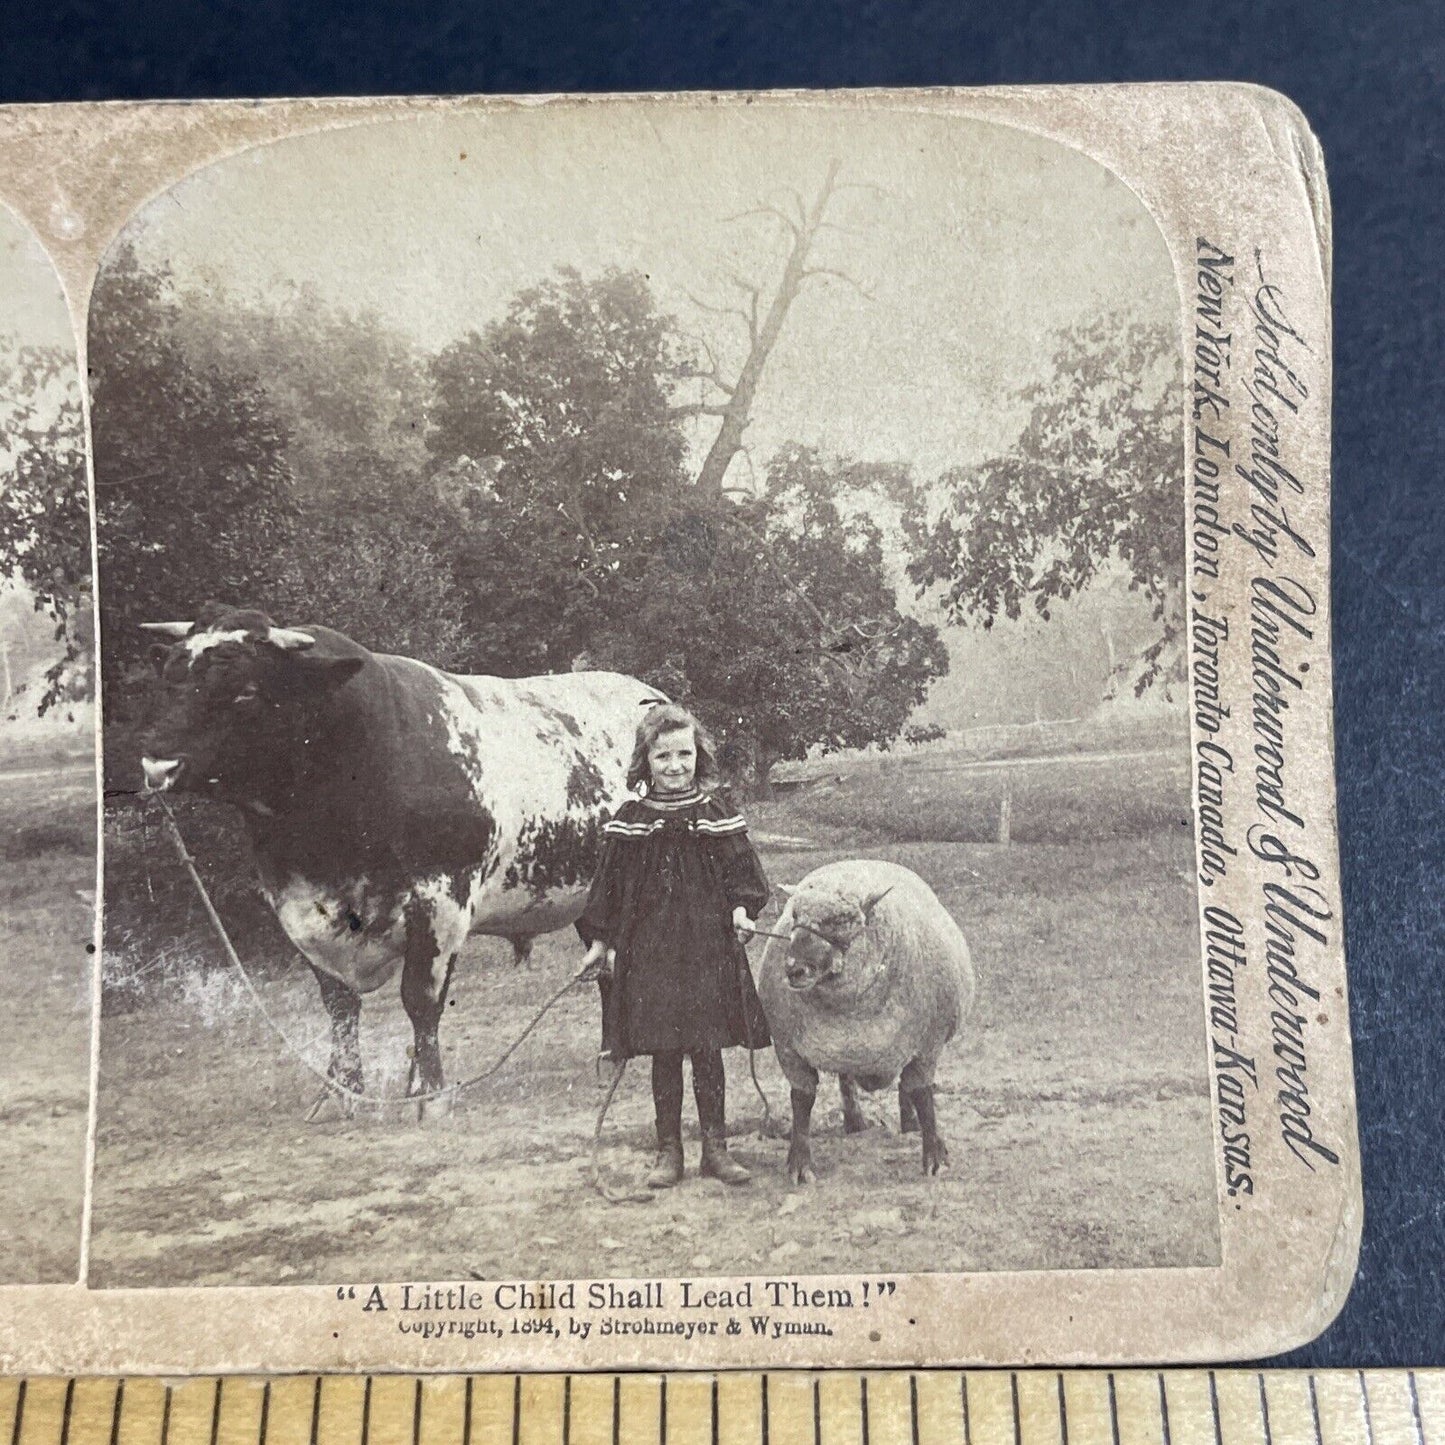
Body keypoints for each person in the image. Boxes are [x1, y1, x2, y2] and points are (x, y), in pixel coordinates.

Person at [576, 703, 770, 1187]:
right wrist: (599, 943)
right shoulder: (630, 820)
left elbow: (742, 874)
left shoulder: (715, 813)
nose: (675, 766)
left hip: (708, 951)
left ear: (698, 757)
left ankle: (716, 1149)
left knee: (707, 1049)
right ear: (646, 761)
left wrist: (743, 911)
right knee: (664, 1052)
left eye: (684, 755)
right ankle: (669, 1152)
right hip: (651, 955)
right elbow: (608, 889)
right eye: (663, 757)